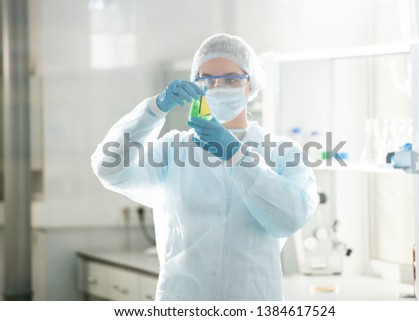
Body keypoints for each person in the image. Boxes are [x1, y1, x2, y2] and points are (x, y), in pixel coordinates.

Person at [91, 33, 318, 300]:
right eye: (207, 80)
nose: (218, 87)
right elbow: (110, 167)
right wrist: (153, 111)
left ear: (250, 85)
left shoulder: (282, 152)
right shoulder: (173, 149)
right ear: (195, 85)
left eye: (231, 79)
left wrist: (236, 155)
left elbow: (291, 217)